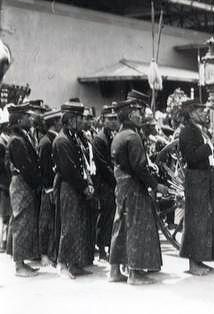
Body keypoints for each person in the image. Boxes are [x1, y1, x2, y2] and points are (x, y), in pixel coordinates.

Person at [108, 91, 169, 285]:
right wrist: (155, 185)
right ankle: (134, 273)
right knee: (135, 228)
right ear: (129, 115)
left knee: (120, 227)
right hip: (134, 189)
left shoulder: (119, 136)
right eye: (136, 112)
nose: (140, 115)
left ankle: (115, 271)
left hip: (122, 187)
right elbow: (140, 167)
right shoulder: (132, 137)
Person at [178, 99, 214, 275]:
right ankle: (192, 264)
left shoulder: (199, 131)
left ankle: (200, 260)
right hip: (196, 179)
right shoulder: (187, 132)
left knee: (204, 221)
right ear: (191, 114)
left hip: (205, 178)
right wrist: (211, 143)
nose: (205, 113)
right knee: (195, 221)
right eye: (200, 110)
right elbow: (192, 157)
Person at [53, 100, 94, 279]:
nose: (81, 121)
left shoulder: (72, 137)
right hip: (69, 187)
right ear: (70, 119)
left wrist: (87, 183)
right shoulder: (62, 140)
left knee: (78, 225)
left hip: (76, 186)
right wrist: (84, 187)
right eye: (78, 117)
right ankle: (62, 264)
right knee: (69, 226)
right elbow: (69, 171)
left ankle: (75, 263)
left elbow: (82, 165)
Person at [6, 103, 41, 276]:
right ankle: (19, 266)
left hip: (22, 183)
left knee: (24, 222)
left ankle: (22, 262)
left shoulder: (20, 137)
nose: (31, 119)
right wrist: (36, 184)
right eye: (27, 116)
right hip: (21, 183)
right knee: (21, 222)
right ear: (19, 120)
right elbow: (26, 167)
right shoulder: (16, 140)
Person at [91, 104, 118, 261]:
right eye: (110, 119)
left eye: (115, 119)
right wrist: (115, 179)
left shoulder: (110, 136)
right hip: (104, 183)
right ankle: (101, 249)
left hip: (110, 181)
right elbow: (103, 164)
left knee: (110, 215)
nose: (113, 122)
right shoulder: (99, 139)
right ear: (103, 120)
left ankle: (106, 248)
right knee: (105, 215)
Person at [37, 109, 61, 266]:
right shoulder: (46, 143)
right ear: (55, 123)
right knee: (46, 222)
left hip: (53, 188)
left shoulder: (51, 140)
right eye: (59, 121)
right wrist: (50, 189)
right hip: (48, 190)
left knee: (53, 222)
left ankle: (51, 253)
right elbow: (45, 169)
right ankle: (44, 254)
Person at [0, 111, 11, 253]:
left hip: (4, 183)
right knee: (4, 215)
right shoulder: (2, 144)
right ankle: (2, 243)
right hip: (3, 183)